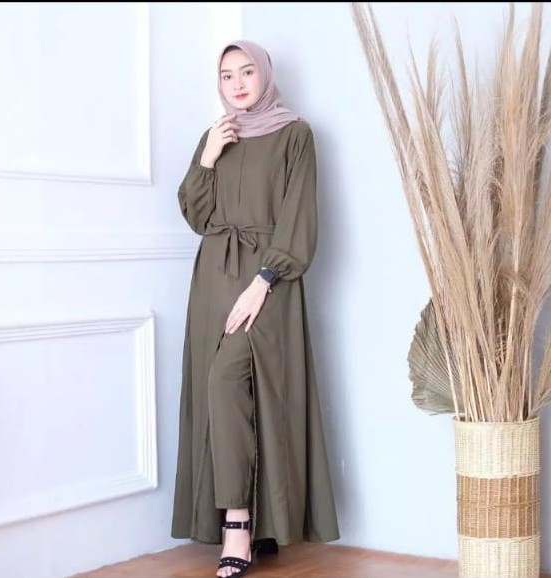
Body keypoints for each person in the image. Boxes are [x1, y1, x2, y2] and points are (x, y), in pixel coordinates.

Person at [171, 39, 340, 578]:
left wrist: (262, 281)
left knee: (233, 383)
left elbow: (298, 219)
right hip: (212, 280)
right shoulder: (215, 136)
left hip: (267, 279)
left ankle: (238, 525)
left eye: (247, 72)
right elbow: (197, 217)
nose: (238, 84)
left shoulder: (296, 134)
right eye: (227, 75)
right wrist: (207, 158)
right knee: (223, 396)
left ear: (265, 74)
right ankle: (249, 522)